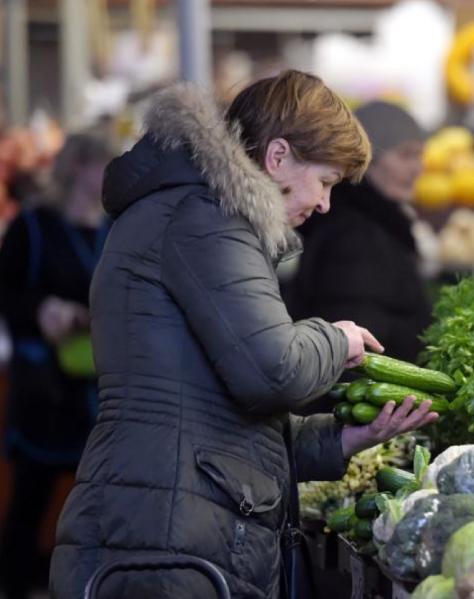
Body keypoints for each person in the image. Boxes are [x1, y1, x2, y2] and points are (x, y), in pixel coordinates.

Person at [49, 71, 438, 599]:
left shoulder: (197, 213)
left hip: (166, 522)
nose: (324, 204)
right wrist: (334, 338)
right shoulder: (207, 219)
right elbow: (271, 373)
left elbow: (222, 424)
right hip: (166, 539)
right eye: (324, 181)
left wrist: (346, 440)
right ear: (278, 157)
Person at [0, 134, 111, 599]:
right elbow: (6, 294)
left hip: (101, 387)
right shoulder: (34, 226)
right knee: (34, 494)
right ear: (79, 167)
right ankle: (15, 584)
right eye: (103, 164)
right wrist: (43, 309)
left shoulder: (114, 228)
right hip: (46, 388)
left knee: (100, 498)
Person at [284, 101, 432, 363]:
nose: (417, 168)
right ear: (370, 158)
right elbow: (355, 346)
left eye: (420, 156)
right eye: (406, 155)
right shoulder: (355, 236)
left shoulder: (375, 221)